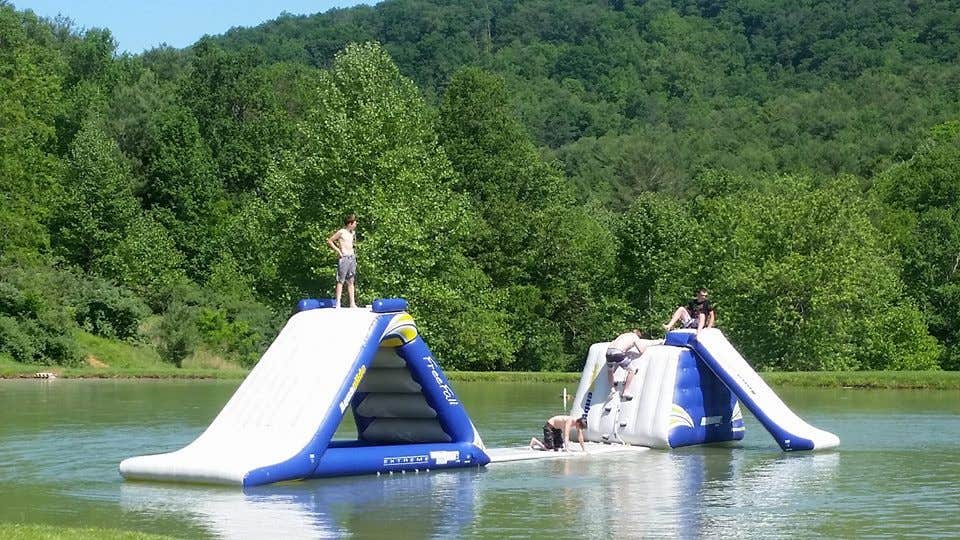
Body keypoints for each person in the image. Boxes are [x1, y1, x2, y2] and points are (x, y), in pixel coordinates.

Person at [605, 330, 654, 402]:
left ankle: (612, 388)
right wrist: (645, 347)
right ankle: (626, 391)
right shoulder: (635, 337)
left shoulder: (623, 335)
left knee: (610, 370)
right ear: (638, 335)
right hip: (618, 353)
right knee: (632, 370)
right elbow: (641, 350)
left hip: (608, 352)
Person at [327, 213, 358, 308]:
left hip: (351, 257)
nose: (355, 225)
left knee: (351, 280)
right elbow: (330, 240)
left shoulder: (352, 233)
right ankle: (338, 302)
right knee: (341, 280)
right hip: (344, 257)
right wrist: (338, 251)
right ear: (350, 223)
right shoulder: (342, 232)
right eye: (354, 223)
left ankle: (352, 303)